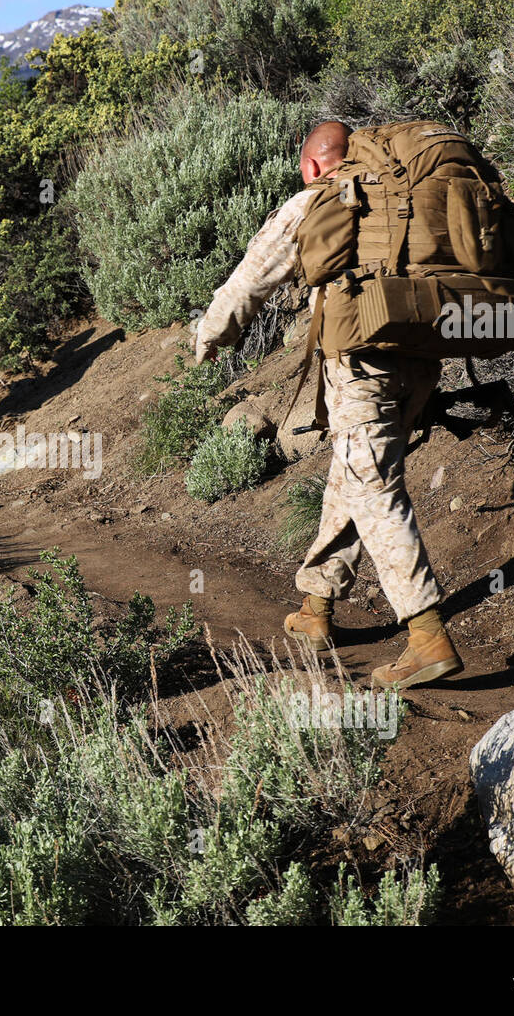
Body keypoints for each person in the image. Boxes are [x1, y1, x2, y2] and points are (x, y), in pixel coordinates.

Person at [194, 120, 463, 690]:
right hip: (422, 356)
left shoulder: (318, 198)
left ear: (314, 164)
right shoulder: (407, 196)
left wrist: (210, 335)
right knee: (353, 473)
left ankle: (426, 635)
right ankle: (317, 608)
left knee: (372, 487)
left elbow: (253, 276)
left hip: (363, 364)